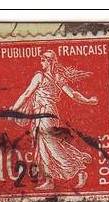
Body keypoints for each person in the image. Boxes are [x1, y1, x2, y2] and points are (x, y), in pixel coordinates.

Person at [9, 49, 100, 191]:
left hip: (46, 114)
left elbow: (27, 94)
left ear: (50, 61)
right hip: (41, 114)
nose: (41, 63)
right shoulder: (55, 77)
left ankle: (79, 170)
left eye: (43, 60)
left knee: (52, 146)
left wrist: (13, 109)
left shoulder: (42, 77)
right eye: (41, 60)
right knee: (42, 147)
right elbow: (72, 94)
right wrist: (87, 101)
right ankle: (49, 180)